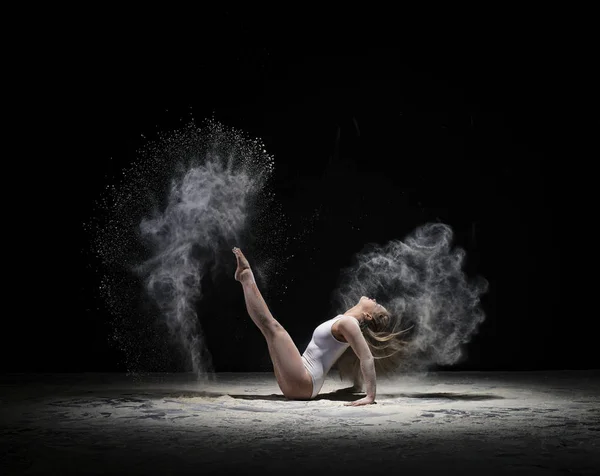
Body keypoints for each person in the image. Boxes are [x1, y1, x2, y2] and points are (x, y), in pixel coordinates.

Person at [232, 247, 410, 406]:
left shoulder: (349, 324)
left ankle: (246, 275)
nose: (375, 300)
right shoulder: (346, 321)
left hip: (304, 382)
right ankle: (244, 277)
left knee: (273, 328)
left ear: (368, 315)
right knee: (269, 329)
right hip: (301, 379)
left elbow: (367, 358)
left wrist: (370, 397)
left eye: (377, 305)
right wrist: (356, 385)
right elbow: (354, 357)